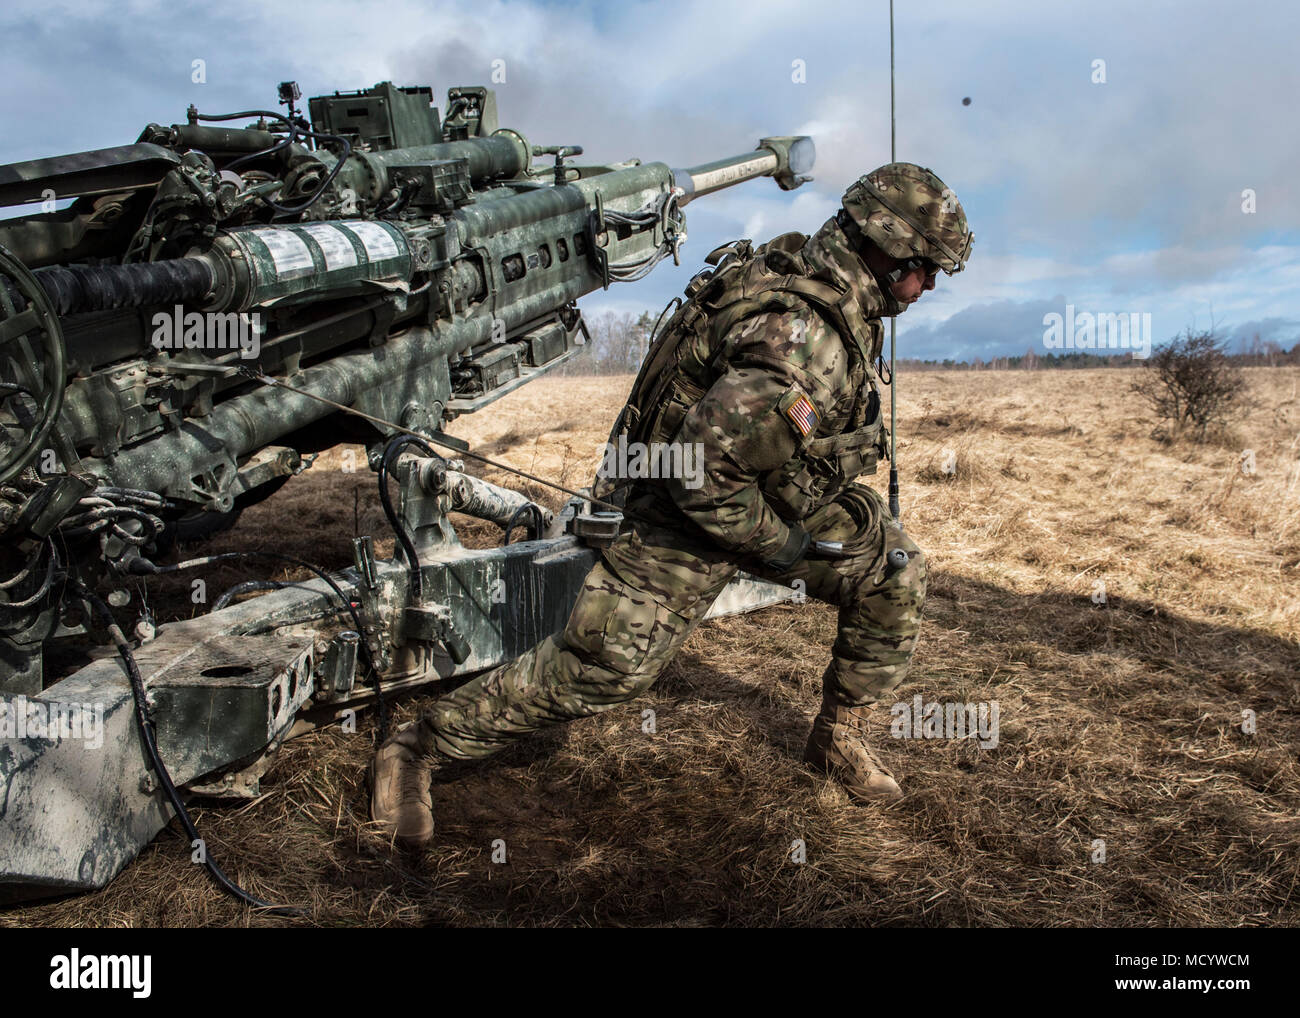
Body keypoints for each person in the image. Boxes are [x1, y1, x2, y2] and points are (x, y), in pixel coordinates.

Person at [369, 162, 973, 848]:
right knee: (605, 668)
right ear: (886, 250)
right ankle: (419, 746)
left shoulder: (821, 271)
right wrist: (779, 545)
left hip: (760, 491)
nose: (926, 288)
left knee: (893, 567)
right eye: (924, 269)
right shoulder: (806, 341)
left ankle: (837, 735)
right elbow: (703, 476)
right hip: (681, 509)